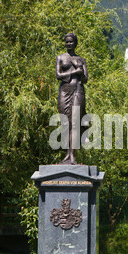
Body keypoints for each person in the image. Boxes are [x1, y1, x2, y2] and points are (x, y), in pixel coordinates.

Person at [55, 33, 88, 165]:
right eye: (67, 42)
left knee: (74, 121)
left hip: (78, 90)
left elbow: (85, 78)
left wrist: (80, 69)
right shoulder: (60, 58)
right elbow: (58, 75)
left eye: (71, 42)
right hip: (64, 91)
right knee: (65, 122)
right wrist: (74, 71)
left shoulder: (81, 59)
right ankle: (67, 154)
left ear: (75, 43)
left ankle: (72, 155)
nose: (69, 44)